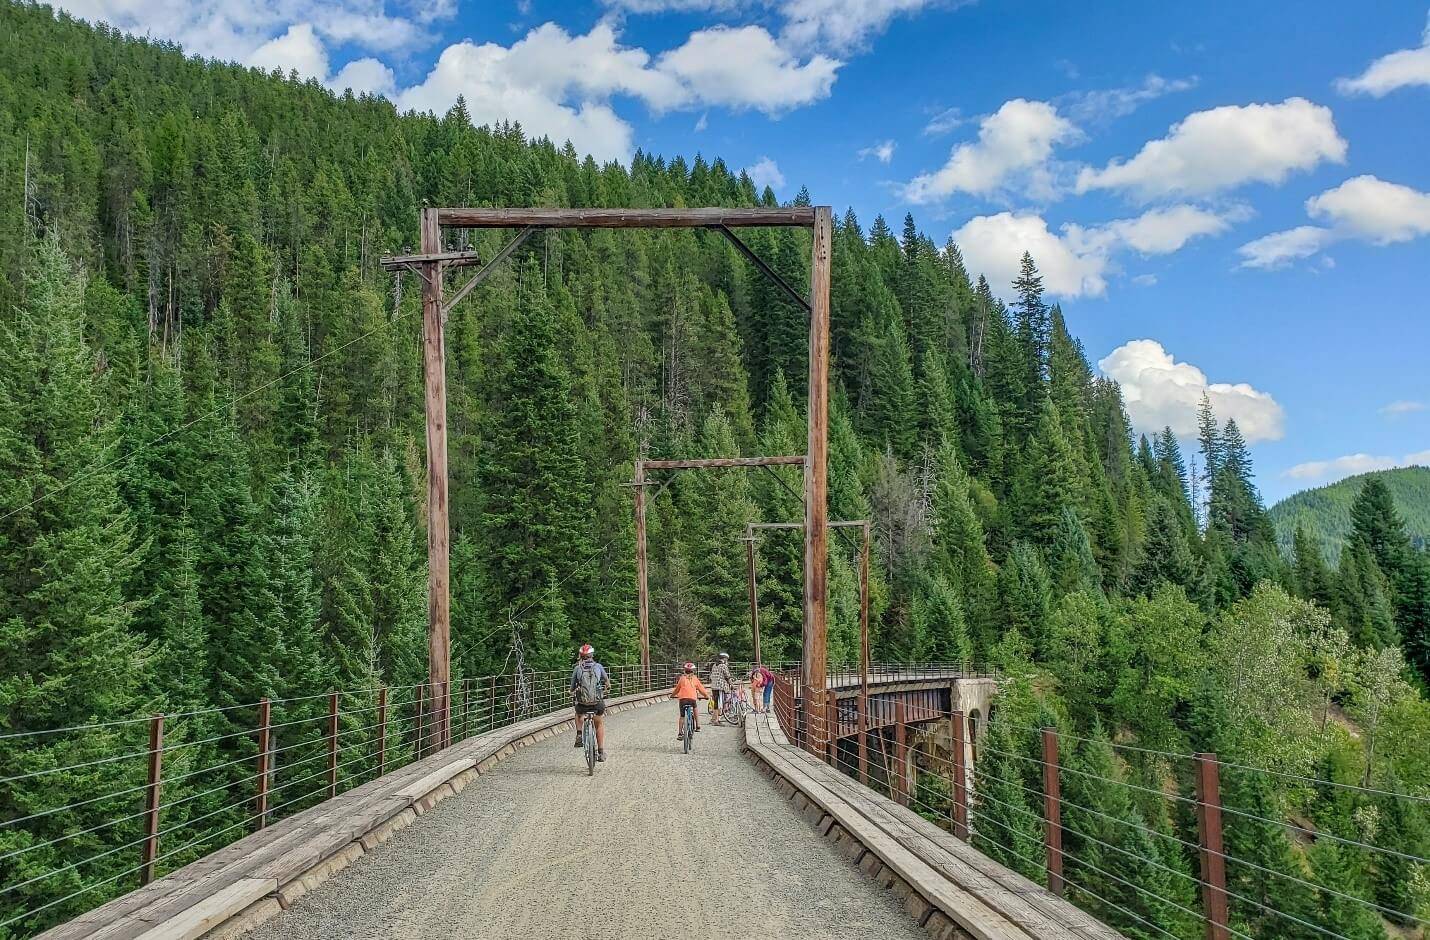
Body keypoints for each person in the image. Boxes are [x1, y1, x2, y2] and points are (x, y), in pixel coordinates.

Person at [570, 644, 610, 761]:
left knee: (578, 714)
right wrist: (606, 688)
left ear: (581, 656)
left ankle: (579, 734)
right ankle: (601, 752)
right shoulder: (598, 666)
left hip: (583, 704)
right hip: (597, 703)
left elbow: (572, 687)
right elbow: (607, 683)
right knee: (599, 723)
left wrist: (571, 692)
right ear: (592, 655)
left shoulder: (577, 669)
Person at [671, 662, 710, 739]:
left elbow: (677, 689)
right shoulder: (695, 679)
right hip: (692, 699)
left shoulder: (682, 678)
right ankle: (698, 726)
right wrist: (706, 696)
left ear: (684, 671)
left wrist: (672, 695)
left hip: (683, 699)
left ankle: (680, 733)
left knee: (682, 716)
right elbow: (701, 689)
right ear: (693, 671)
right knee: (695, 708)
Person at [709, 652, 733, 722]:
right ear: (724, 659)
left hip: (714, 686)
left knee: (716, 702)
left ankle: (713, 718)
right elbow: (727, 677)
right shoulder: (723, 666)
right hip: (720, 687)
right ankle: (717, 719)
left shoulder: (714, 665)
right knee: (720, 703)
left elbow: (711, 676)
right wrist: (732, 685)